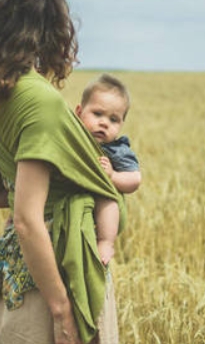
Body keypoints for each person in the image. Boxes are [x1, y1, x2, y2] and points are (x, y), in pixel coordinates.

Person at [0, 0, 126, 344]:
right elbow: (29, 219)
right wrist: (62, 309)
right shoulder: (42, 102)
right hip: (59, 270)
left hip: (18, 266)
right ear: (52, 20)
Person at [75, 74, 141, 266]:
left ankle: (106, 241)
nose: (104, 123)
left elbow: (135, 179)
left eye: (114, 120)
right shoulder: (73, 139)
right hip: (73, 196)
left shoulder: (116, 150)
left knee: (107, 200)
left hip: (99, 195)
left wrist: (112, 176)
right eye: (97, 114)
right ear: (79, 112)